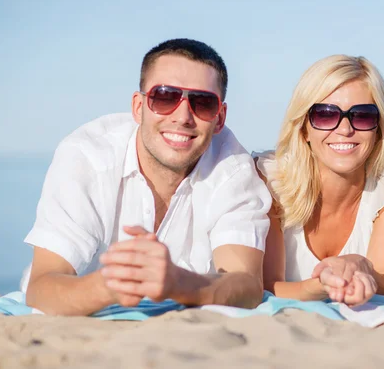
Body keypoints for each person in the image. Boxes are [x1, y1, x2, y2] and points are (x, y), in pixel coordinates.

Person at [22, 38, 272, 316]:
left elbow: (247, 284)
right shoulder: (87, 156)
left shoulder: (233, 170)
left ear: (220, 118)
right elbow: (41, 288)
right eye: (165, 96)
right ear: (138, 107)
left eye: (202, 103)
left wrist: (178, 283)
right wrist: (112, 285)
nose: (183, 116)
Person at [255, 55, 384, 306]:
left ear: (379, 129)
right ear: (303, 128)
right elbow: (266, 288)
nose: (345, 129)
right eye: (325, 115)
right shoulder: (269, 180)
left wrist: (360, 264)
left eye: (362, 116)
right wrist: (322, 284)